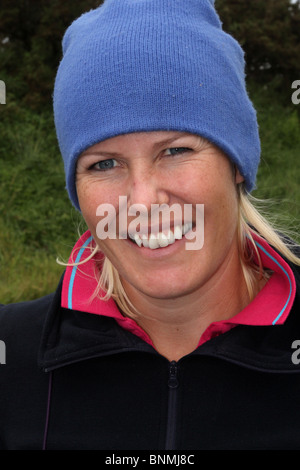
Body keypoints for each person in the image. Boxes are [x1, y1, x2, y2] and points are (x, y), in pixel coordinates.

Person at [0, 0, 300, 451]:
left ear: (236, 163)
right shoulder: (12, 357)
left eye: (175, 151)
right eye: (104, 163)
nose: (141, 201)